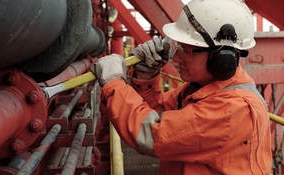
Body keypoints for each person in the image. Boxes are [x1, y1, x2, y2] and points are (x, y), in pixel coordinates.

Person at [92, 0, 272, 174]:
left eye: (187, 50)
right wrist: (146, 77)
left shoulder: (233, 110)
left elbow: (152, 135)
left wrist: (113, 83)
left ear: (221, 59)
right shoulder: (200, 90)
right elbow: (158, 114)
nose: (176, 57)